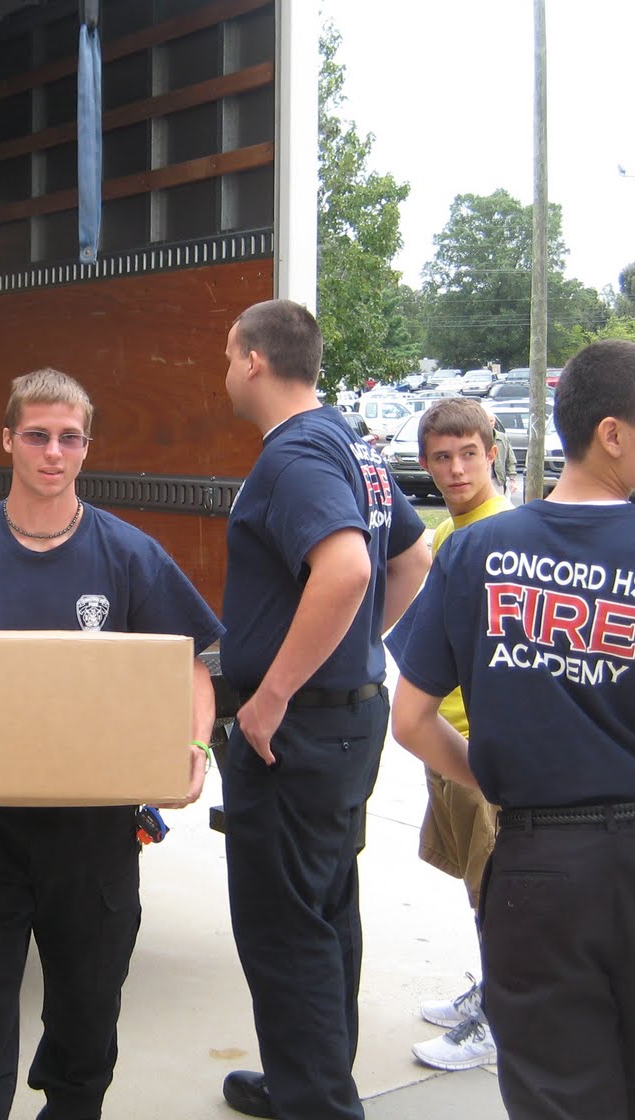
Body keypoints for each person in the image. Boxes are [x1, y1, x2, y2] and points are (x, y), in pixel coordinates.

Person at [388, 339, 635, 1120]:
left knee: (555, 1096)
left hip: (534, 864)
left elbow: (410, 719)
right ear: (612, 434)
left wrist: (498, 774)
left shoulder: (475, 554)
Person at [0, 367, 224, 1119]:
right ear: (8, 440)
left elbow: (193, 667)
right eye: (38, 436)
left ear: (86, 448)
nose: (53, 452)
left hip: (95, 833)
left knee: (87, 1018)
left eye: (69, 438)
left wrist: (194, 749)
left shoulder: (130, 555)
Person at [217, 300, 430, 1120]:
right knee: (325, 905)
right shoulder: (355, 447)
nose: (225, 369)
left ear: (255, 360)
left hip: (295, 735)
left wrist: (275, 695)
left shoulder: (294, 455)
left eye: (227, 354)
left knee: (283, 927)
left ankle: (315, 1104)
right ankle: (310, 1083)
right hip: (345, 721)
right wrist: (344, 654)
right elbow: (411, 558)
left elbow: (345, 571)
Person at [405, 397, 510, 1072]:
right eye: (442, 457)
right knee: (478, 887)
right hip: (446, 734)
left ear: (491, 454)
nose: (456, 468)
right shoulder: (450, 533)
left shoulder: (501, 531)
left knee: (499, 890)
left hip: (482, 748)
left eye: (469, 453)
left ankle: (501, 1019)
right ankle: (493, 991)